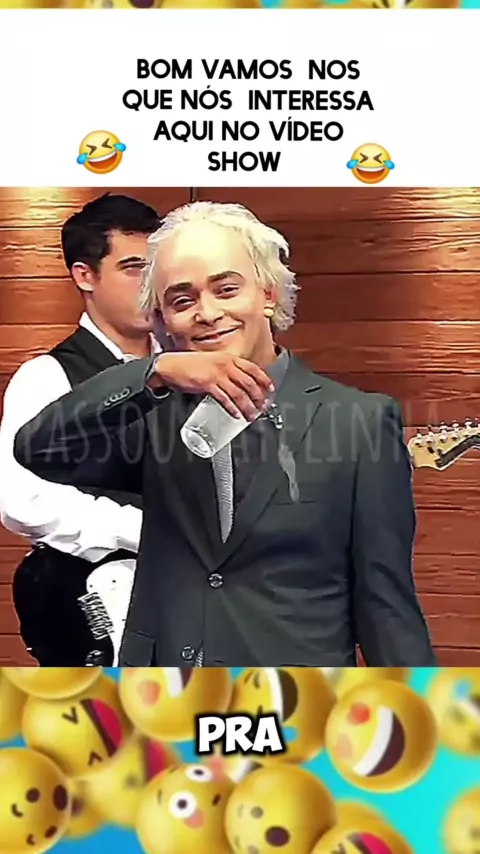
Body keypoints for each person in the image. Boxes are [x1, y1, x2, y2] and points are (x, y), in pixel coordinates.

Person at [13, 201, 437, 667]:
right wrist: (152, 372)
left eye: (226, 289)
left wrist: (418, 709)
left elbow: (386, 605)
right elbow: (39, 449)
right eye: (182, 300)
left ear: (268, 294)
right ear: (162, 320)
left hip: (294, 694)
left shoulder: (358, 420)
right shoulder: (150, 415)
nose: (207, 313)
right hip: (162, 692)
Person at [0, 192, 161, 665]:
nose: (151, 285)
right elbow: (22, 499)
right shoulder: (47, 376)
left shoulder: (192, 368)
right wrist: (144, 530)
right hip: (101, 606)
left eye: (157, 268)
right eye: (133, 268)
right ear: (84, 275)